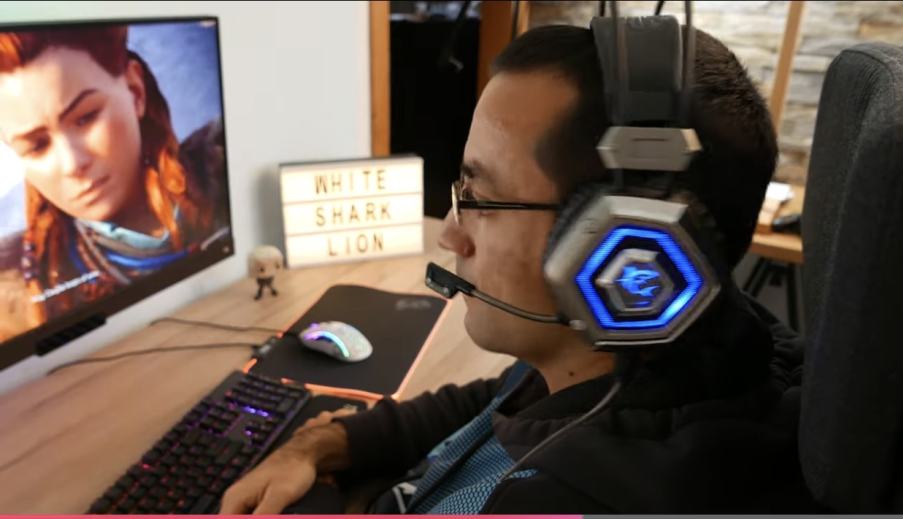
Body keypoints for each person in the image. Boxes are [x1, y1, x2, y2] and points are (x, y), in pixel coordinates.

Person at [220, 24, 819, 514]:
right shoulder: (678, 352)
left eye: (480, 198)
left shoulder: (573, 499)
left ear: (630, 248)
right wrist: (319, 444)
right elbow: (495, 401)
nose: (450, 232)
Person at [0, 25, 229, 339]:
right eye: (37, 146)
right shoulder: (12, 293)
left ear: (135, 91)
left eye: (86, 117)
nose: (73, 164)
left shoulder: (225, 159)